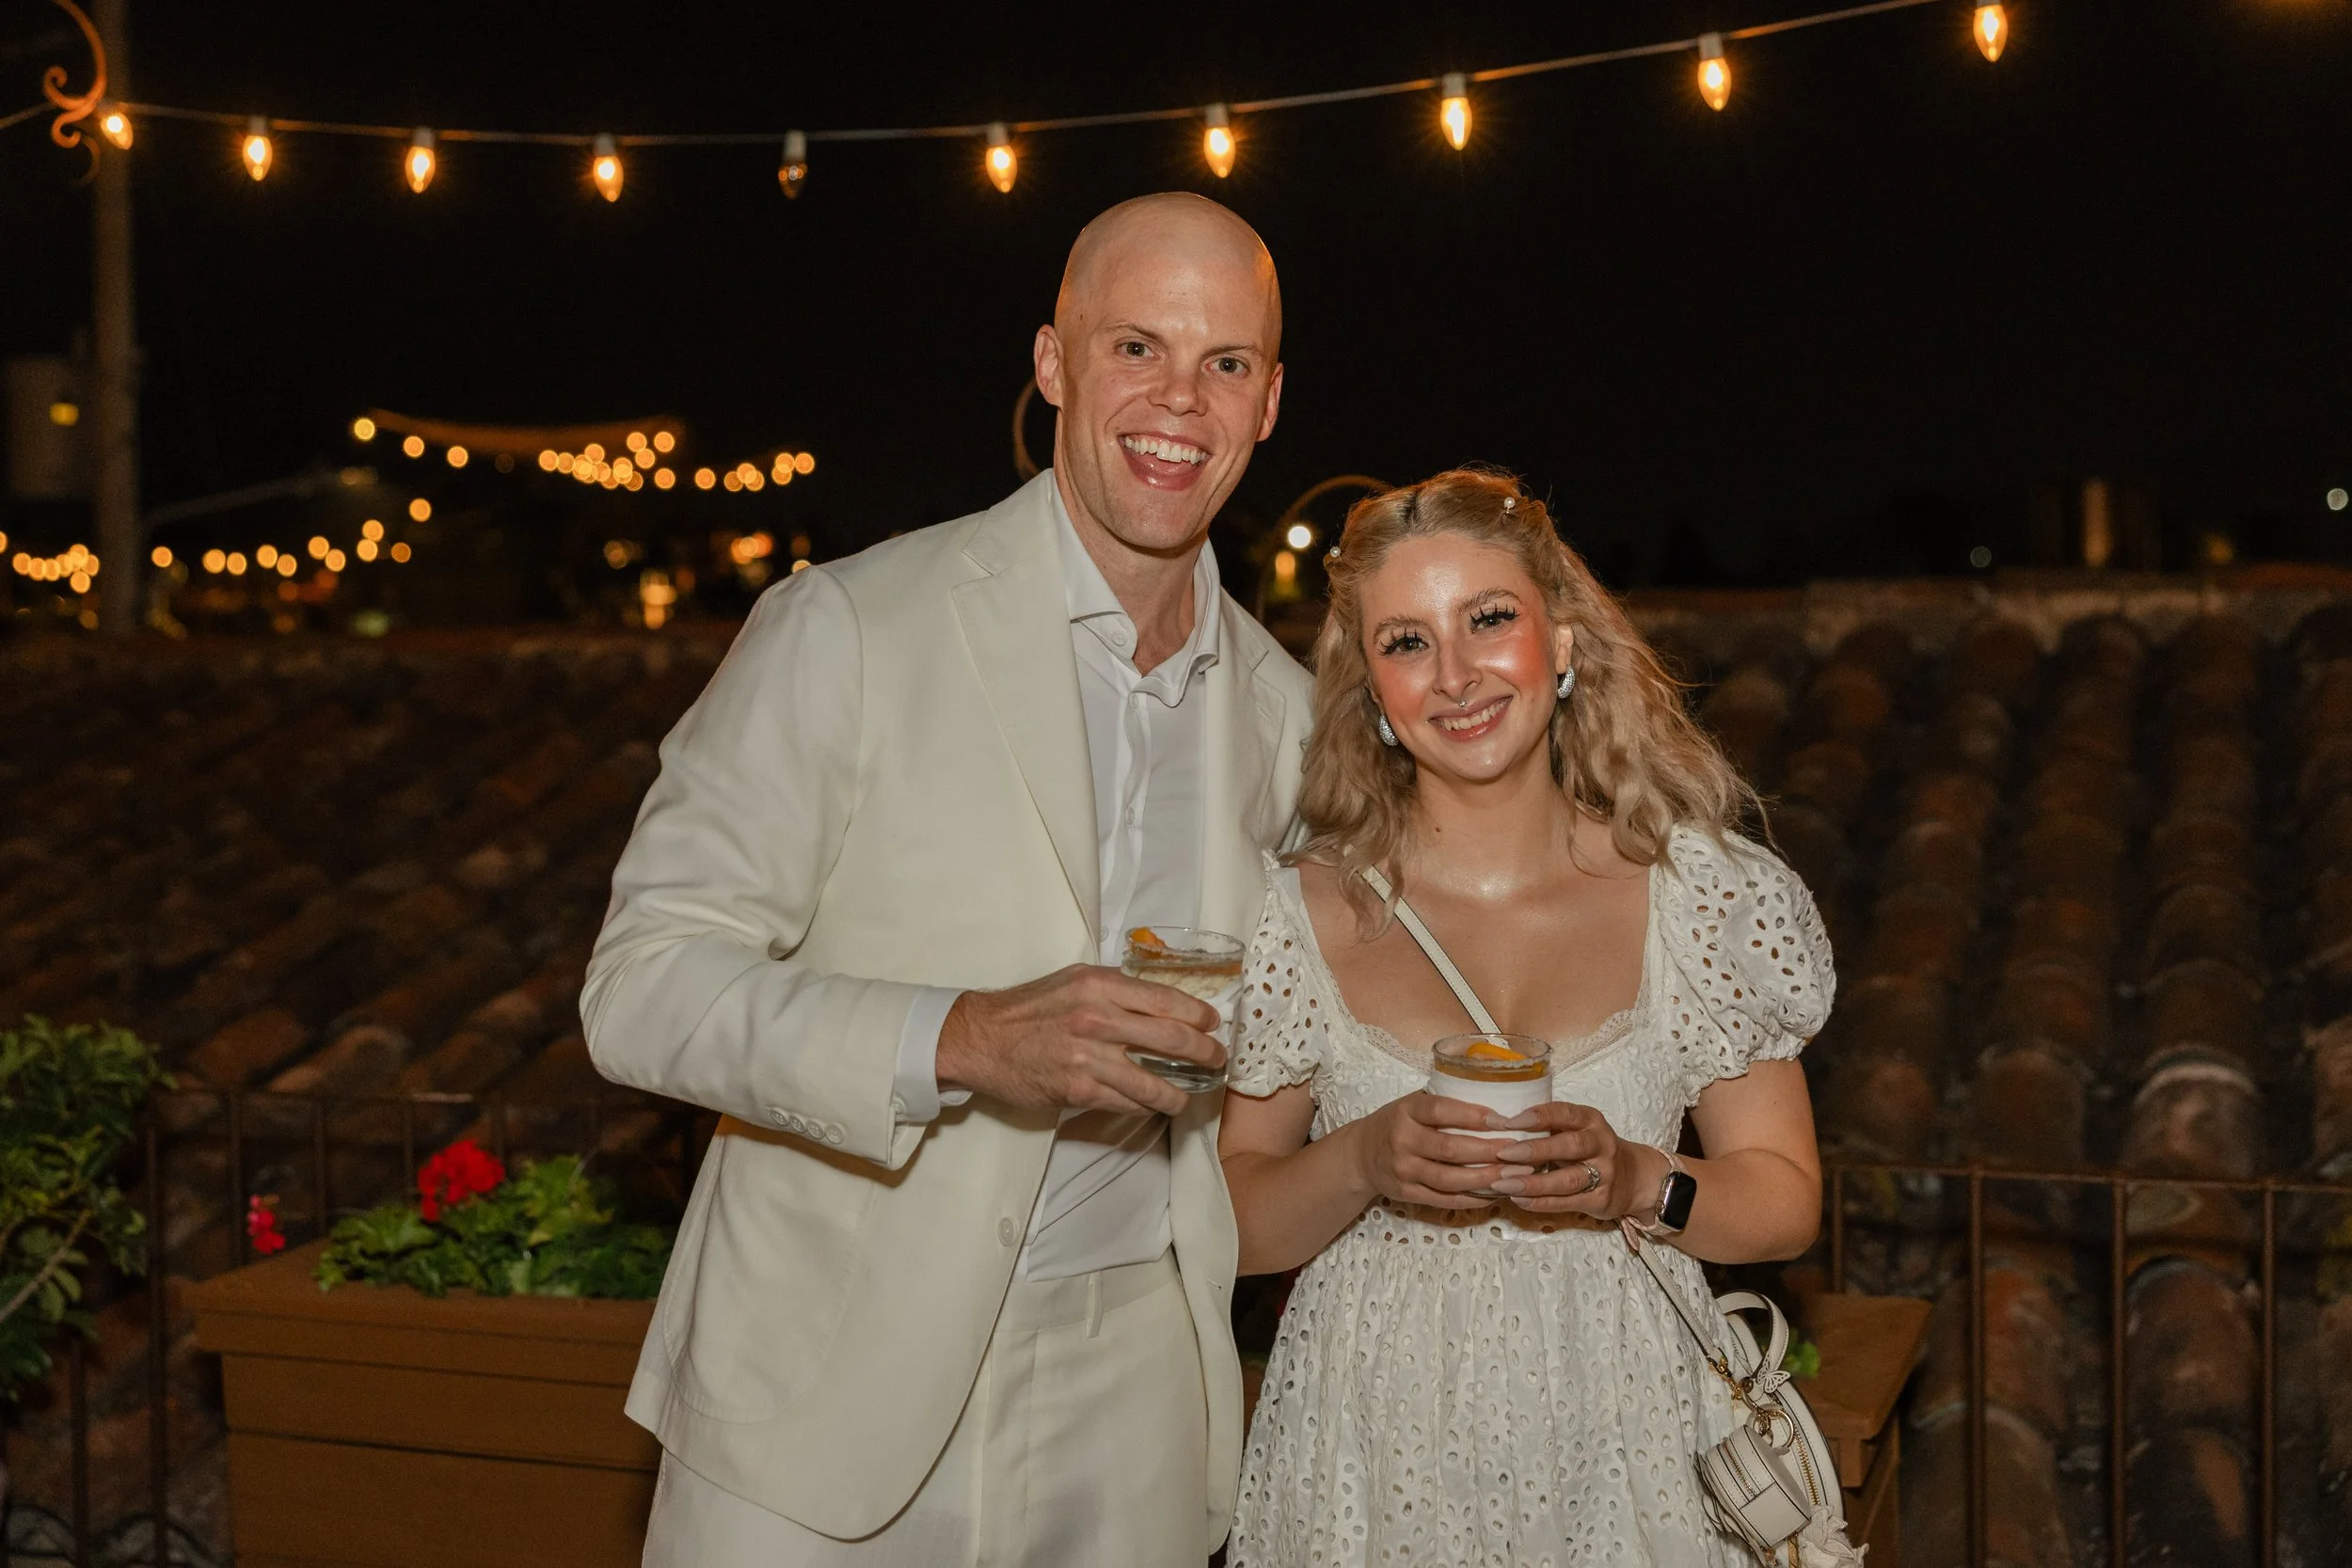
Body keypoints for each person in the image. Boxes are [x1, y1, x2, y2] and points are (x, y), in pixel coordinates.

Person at [582, 192, 1311, 1565]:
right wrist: (962, 1035)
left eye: (1225, 364)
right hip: (821, 1401)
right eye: (1136, 347)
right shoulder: (846, 624)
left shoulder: (1287, 716)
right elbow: (641, 987)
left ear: (1270, 402)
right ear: (1053, 363)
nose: (1179, 402)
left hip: (1133, 1410)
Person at [1218, 468, 1834, 1568]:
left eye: (1487, 619)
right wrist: (1363, 1156)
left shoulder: (1698, 894)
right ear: (1370, 692)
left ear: (1560, 644)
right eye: (1405, 642)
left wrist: (1638, 1179)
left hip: (1627, 1444)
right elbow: (1233, 1219)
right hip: (1367, 1459)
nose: (1454, 674)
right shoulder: (1295, 917)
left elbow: (1784, 1199)